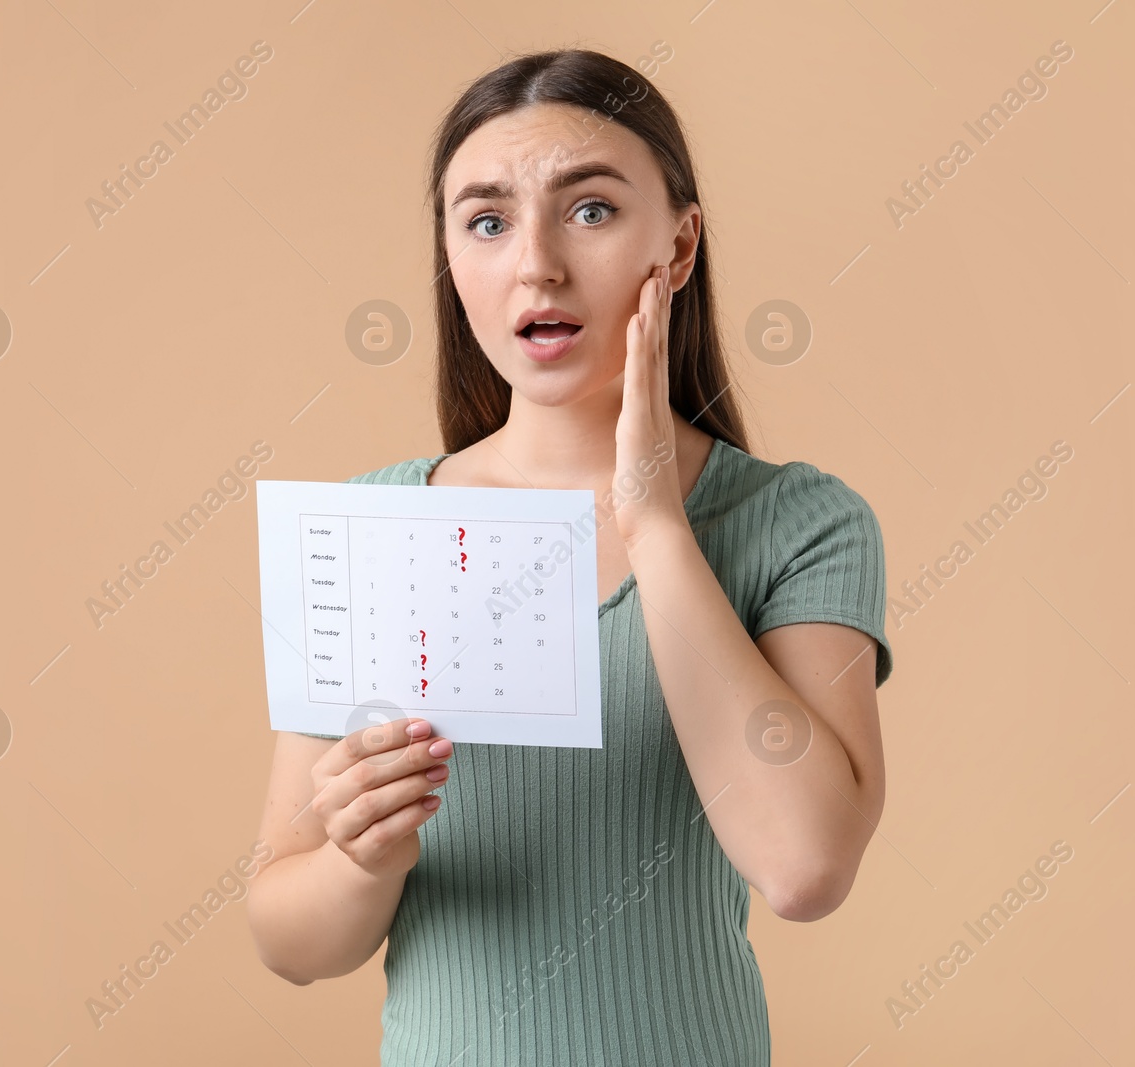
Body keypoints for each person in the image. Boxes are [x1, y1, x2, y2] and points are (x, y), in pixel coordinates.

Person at [246, 47, 894, 1066]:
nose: (535, 262)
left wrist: (654, 525)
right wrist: (363, 859)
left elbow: (804, 865)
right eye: (487, 220)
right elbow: (286, 939)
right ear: (451, 257)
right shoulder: (377, 526)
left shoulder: (797, 522)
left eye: (589, 210)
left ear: (677, 246)